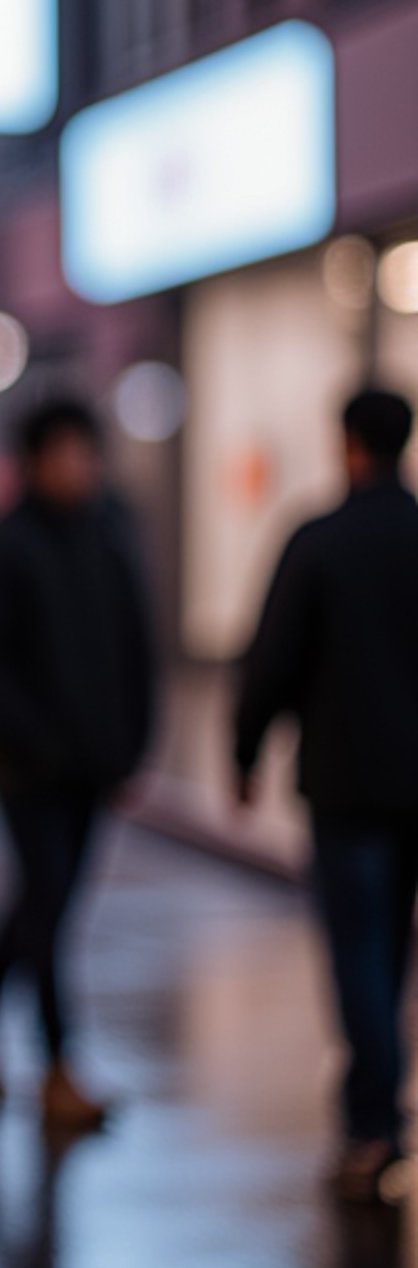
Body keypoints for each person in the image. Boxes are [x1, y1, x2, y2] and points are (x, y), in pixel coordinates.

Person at [234, 386, 418, 1205]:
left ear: (347, 443)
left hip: (344, 782)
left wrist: (244, 752)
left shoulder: (319, 539)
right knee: (392, 946)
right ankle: (377, 1110)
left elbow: (271, 659)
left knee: (358, 946)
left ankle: (373, 1122)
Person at [0, 398, 153, 1132]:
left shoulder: (108, 535)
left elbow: (137, 646)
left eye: (85, 453)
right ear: (34, 461)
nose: (78, 467)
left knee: (46, 902)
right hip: (24, 768)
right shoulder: (5, 543)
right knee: (47, 901)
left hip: (93, 766)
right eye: (64, 454)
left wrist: (133, 745)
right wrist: (35, 736)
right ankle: (59, 1068)